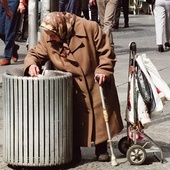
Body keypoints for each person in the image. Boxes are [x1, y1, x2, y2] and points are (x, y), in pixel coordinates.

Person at [24, 12, 123, 164]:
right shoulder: (48, 35)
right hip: (71, 86)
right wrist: (31, 64)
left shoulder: (90, 27)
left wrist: (103, 69)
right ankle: (73, 150)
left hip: (94, 79)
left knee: (99, 115)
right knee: (74, 119)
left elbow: (106, 51)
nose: (51, 38)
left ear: (62, 29)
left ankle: (101, 148)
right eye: (49, 35)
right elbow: (36, 53)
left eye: (53, 35)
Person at [0, 0, 26, 66]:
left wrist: (21, 3)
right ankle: (13, 47)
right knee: (1, 30)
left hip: (13, 2)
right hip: (2, 2)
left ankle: (7, 57)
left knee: (10, 28)